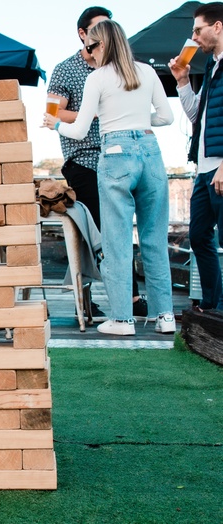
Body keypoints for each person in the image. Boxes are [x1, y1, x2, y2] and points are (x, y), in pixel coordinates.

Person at [43, 20, 175, 336]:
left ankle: (122, 320)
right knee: (154, 240)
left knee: (116, 242)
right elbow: (167, 117)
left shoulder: (98, 78)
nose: (88, 53)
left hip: (116, 153)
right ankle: (165, 317)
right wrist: (141, 121)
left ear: (102, 45)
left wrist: (54, 124)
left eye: (91, 47)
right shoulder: (146, 71)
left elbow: (77, 128)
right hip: (150, 150)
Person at [169, 2, 223, 313]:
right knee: (199, 236)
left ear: (217, 27)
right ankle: (212, 305)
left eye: (198, 30)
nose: (194, 38)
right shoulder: (213, 68)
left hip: (220, 167)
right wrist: (182, 81)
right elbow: (196, 117)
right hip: (204, 171)